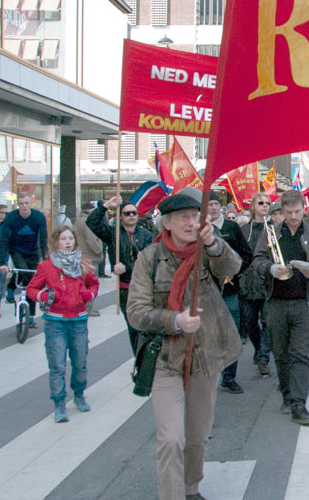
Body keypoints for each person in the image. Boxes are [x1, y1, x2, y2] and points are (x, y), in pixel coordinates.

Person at [127, 188, 244, 500]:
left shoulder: (208, 250)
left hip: (206, 357)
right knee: (170, 439)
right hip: (166, 359)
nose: (191, 223)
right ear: (167, 223)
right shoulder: (149, 259)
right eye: (184, 218)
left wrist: (213, 243)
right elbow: (136, 312)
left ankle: (191, 488)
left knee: (196, 436)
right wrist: (174, 320)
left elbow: (233, 268)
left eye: (195, 216)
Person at [252, 189, 309, 426]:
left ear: (304, 208)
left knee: (299, 354)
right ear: (282, 212)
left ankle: (299, 403)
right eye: (289, 212)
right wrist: (271, 269)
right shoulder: (271, 232)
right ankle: (286, 393)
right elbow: (257, 260)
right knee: (281, 353)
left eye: (297, 211)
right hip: (276, 302)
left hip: (303, 303)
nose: (294, 216)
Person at [25, 225, 98, 423]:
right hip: (55, 322)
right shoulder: (47, 266)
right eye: (63, 239)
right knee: (57, 364)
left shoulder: (82, 264)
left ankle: (79, 394)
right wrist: (43, 295)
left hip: (79, 320)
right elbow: (32, 288)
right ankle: (59, 403)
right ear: (56, 242)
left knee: (80, 362)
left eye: (70, 238)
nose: (67, 242)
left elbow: (93, 283)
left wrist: (89, 294)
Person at [87, 195, 154, 355]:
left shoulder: (146, 235)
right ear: (120, 217)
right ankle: (139, 362)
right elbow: (91, 223)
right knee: (133, 328)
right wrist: (105, 206)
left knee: (144, 328)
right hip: (125, 289)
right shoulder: (113, 234)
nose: (131, 216)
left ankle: (146, 361)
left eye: (134, 213)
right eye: (127, 213)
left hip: (144, 289)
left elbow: (148, 262)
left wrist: (127, 268)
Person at [206, 191, 253, 394]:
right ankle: (209, 377)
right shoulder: (199, 230)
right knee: (209, 337)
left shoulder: (232, 227)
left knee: (231, 334)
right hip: (207, 294)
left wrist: (234, 272)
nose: (214, 208)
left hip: (230, 291)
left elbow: (246, 255)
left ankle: (230, 377)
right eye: (210, 204)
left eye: (217, 204)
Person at [0, 192, 49, 329]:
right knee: (24, 274)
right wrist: (1, 263)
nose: (24, 206)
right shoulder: (11, 218)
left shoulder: (38, 217)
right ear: (17, 205)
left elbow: (43, 239)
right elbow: (3, 241)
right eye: (21, 204)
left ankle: (30, 316)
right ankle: (11, 287)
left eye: (27, 203)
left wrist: (46, 260)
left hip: (33, 251)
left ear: (30, 203)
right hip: (17, 250)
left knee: (32, 282)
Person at [238, 192, 274, 377]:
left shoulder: (274, 229)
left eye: (267, 203)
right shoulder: (244, 230)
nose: (265, 206)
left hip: (267, 283)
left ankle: (263, 359)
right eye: (261, 203)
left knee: (267, 321)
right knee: (249, 320)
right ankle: (259, 347)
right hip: (247, 283)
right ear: (253, 206)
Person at [75, 202, 104, 316]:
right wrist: (99, 250)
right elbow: (91, 240)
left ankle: (81, 307)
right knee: (91, 283)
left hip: (80, 255)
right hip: (90, 257)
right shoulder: (88, 222)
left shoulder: (78, 221)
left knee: (81, 283)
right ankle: (88, 309)